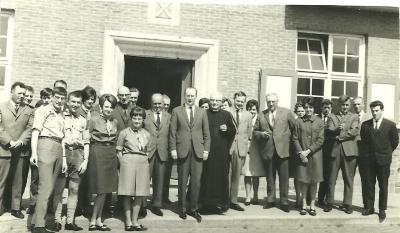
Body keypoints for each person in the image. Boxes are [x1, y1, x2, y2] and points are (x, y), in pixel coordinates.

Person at [169, 87, 211, 223]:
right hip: (182, 150)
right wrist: (173, 149)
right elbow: (172, 133)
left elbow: (207, 134)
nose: (190, 98)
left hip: (198, 151)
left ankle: (193, 208)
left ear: (196, 96)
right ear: (184, 96)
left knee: (196, 182)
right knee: (182, 180)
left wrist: (206, 150)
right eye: (188, 95)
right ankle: (182, 208)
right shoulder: (176, 111)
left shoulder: (202, 112)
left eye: (192, 96)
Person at [30, 86, 67, 233]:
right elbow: (35, 132)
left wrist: (63, 158)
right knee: (45, 187)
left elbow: (63, 137)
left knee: (50, 188)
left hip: (58, 147)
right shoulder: (42, 110)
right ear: (51, 97)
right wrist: (34, 153)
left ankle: (35, 222)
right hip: (45, 144)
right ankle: (39, 226)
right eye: (56, 97)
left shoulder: (62, 114)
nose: (59, 100)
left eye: (62, 98)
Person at [52, 91, 89, 231]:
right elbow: (60, 139)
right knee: (59, 189)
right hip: (64, 152)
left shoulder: (83, 120)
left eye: (78, 102)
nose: (75, 104)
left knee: (74, 189)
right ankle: (56, 220)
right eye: (73, 101)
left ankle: (69, 221)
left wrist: (85, 160)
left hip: (78, 154)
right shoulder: (61, 117)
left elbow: (86, 142)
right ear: (67, 102)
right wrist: (63, 158)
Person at [253, 93, 294, 212]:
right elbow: (255, 131)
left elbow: (294, 129)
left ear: (277, 101)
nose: (271, 104)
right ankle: (271, 200)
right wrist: (261, 134)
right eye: (269, 102)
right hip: (268, 150)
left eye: (273, 101)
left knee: (284, 178)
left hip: (283, 150)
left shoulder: (286, 112)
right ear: (266, 102)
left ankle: (284, 202)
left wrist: (288, 143)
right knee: (270, 177)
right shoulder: (261, 114)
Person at [360, 101, 398, 220]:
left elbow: (395, 142)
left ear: (382, 110)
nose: (374, 113)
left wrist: (386, 153)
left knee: (383, 185)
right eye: (372, 111)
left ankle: (382, 209)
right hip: (369, 160)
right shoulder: (365, 125)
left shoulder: (390, 125)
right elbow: (364, 141)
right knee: (369, 184)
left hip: (383, 160)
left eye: (377, 110)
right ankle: (369, 207)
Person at [0, 82, 33, 218]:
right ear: (11, 93)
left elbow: (30, 128)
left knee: (18, 181)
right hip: (4, 150)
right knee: (1, 180)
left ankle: (15, 207)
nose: (22, 96)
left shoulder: (29, 110)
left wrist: (20, 141)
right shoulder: (1, 107)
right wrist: (9, 141)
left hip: (21, 151)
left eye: (23, 94)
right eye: (19, 93)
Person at [199, 92, 235, 214]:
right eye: (212, 100)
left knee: (220, 177)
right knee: (206, 176)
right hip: (207, 151)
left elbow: (233, 131)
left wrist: (227, 129)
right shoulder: (203, 113)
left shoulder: (227, 114)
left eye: (217, 101)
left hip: (221, 152)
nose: (214, 103)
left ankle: (220, 204)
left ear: (221, 103)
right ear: (209, 102)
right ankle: (205, 204)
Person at [117, 107, 151, 231]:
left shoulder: (146, 134)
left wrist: (144, 161)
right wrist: (123, 164)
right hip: (127, 163)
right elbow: (119, 150)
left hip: (142, 164)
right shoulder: (124, 132)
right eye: (135, 118)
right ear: (131, 118)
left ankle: (135, 221)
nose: (137, 120)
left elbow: (148, 151)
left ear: (143, 119)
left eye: (139, 118)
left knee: (139, 194)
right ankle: (128, 222)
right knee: (127, 193)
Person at [87, 94, 119, 231]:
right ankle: (93, 220)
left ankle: (98, 219)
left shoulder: (115, 122)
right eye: (106, 106)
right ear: (101, 106)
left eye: (111, 107)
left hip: (110, 154)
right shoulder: (93, 119)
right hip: (97, 152)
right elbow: (86, 137)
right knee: (99, 189)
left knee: (106, 189)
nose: (109, 109)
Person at [324, 95, 359, 214]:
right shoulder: (332, 116)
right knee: (331, 178)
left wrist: (339, 136)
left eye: (347, 105)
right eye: (343, 105)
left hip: (349, 152)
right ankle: (329, 202)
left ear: (349, 106)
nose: (344, 107)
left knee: (348, 179)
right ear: (339, 105)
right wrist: (336, 130)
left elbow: (354, 131)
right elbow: (329, 130)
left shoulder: (354, 116)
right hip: (334, 151)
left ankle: (347, 204)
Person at [292, 97, 324, 216]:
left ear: (314, 108)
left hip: (315, 156)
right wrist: (301, 152)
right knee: (304, 181)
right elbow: (295, 138)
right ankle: (304, 205)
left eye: (310, 107)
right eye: (306, 107)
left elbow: (321, 140)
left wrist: (308, 151)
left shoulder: (319, 121)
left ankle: (312, 205)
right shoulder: (299, 122)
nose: (308, 110)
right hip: (302, 156)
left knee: (314, 181)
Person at [143, 93, 171, 216]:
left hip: (162, 151)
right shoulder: (145, 114)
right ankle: (142, 205)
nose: (157, 106)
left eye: (160, 103)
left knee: (159, 180)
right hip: (148, 152)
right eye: (155, 103)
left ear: (163, 104)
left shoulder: (169, 117)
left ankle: (156, 205)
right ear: (151, 103)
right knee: (144, 179)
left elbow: (172, 134)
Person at [76, 85, 97, 216]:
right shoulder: (78, 111)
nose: (90, 101)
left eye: (92, 99)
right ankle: (78, 206)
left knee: (88, 178)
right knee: (79, 178)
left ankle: (85, 204)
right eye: (88, 98)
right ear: (83, 99)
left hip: (91, 148)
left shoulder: (94, 113)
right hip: (79, 148)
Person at [243, 99, 266, 206]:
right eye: (249, 109)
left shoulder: (260, 119)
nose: (251, 112)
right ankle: (248, 196)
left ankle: (255, 195)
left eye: (253, 110)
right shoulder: (244, 118)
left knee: (255, 174)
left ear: (256, 110)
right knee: (247, 174)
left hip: (257, 149)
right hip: (246, 148)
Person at [352, 97, 371, 211]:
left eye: (359, 104)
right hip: (352, 151)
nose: (356, 107)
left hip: (364, 153)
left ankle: (367, 205)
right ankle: (347, 203)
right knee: (349, 177)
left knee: (366, 179)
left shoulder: (369, 117)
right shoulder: (351, 117)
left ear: (363, 104)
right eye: (354, 104)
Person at [317, 99, 334, 207]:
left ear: (331, 108)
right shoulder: (317, 118)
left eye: (328, 108)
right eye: (324, 108)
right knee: (318, 175)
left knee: (328, 177)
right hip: (318, 150)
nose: (326, 110)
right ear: (321, 108)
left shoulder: (333, 119)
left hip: (329, 151)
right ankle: (318, 199)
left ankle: (326, 200)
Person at [290, 102, 305, 208]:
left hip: (306, 151)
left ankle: (305, 198)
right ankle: (298, 198)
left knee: (305, 175)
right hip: (295, 151)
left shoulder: (307, 122)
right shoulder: (294, 122)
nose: (300, 113)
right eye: (298, 111)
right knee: (297, 176)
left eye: (302, 111)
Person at [162, 94, 173, 204]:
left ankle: (165, 196)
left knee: (166, 175)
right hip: (157, 149)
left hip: (168, 150)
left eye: (168, 105)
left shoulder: (171, 117)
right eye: (164, 104)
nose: (166, 106)